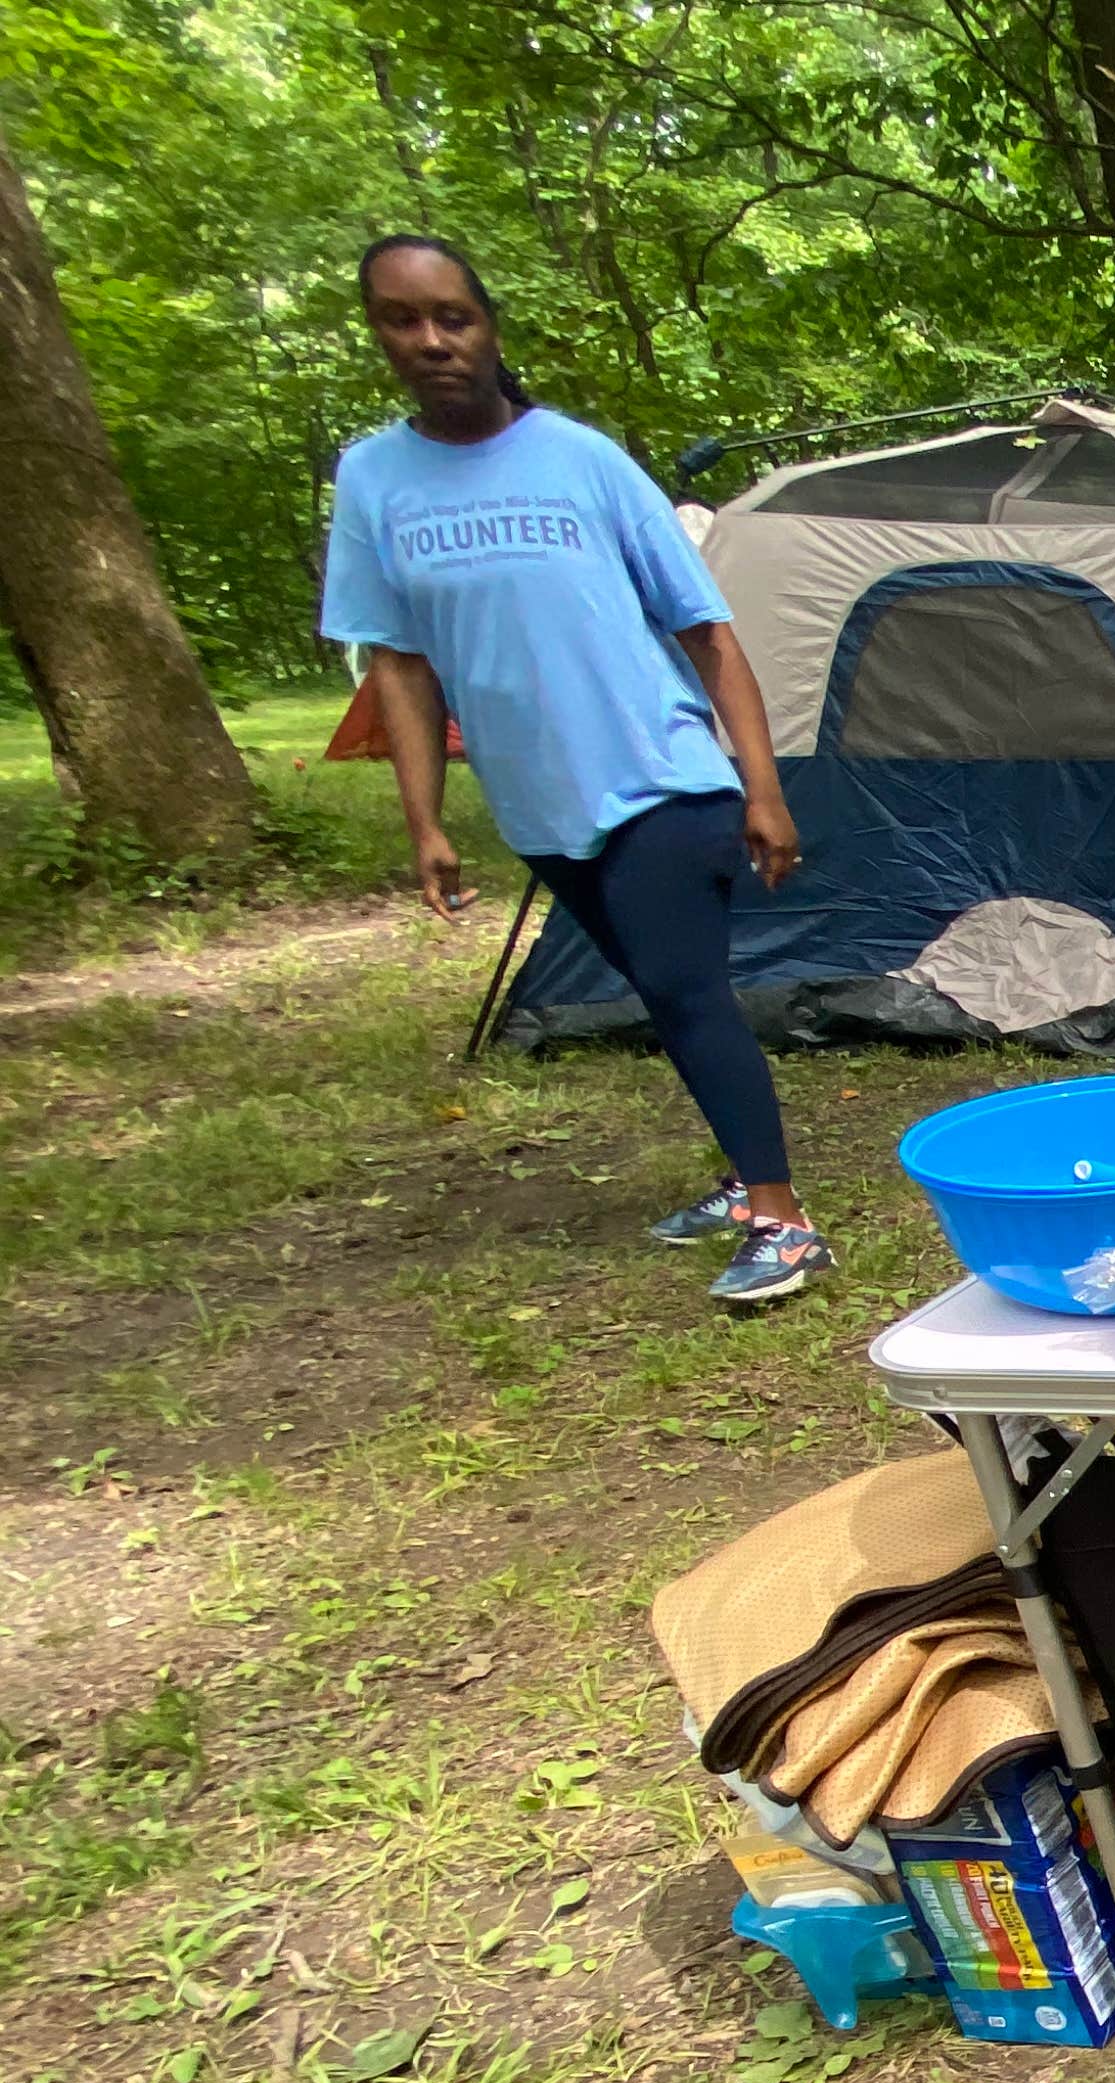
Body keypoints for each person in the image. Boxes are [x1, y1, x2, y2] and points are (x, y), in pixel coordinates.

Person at [323, 236, 829, 1305]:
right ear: (376, 332)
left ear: (489, 325)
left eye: (452, 317)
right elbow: (400, 666)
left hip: (661, 773)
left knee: (688, 992)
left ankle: (784, 1220)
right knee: (657, 987)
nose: (430, 341)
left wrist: (762, 787)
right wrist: (426, 821)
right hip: (536, 800)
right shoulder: (374, 479)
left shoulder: (582, 459)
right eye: (400, 320)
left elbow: (710, 631)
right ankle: (747, 1185)